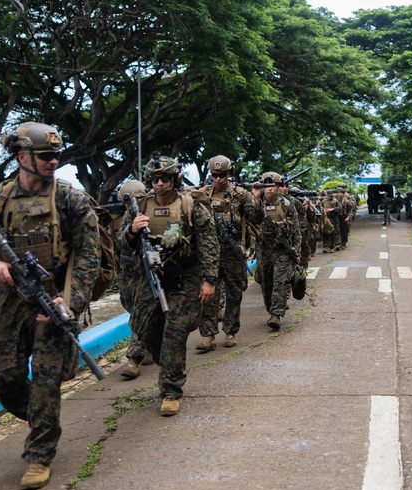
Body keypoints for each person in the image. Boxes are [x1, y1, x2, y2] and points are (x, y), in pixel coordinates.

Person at [0, 122, 101, 490]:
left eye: (57, 155)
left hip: (55, 298)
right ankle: (45, 420)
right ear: (22, 156)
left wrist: (68, 302)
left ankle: (40, 453)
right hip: (10, 299)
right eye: (45, 156)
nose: (53, 162)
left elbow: (89, 255)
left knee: (45, 380)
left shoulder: (71, 199)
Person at [118, 154, 220, 417]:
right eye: (154, 179)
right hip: (150, 275)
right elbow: (120, 243)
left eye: (165, 178)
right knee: (142, 327)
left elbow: (209, 244)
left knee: (174, 331)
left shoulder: (191, 206)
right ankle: (169, 363)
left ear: (175, 179)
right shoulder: (138, 206)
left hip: (184, 276)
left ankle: (171, 390)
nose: (159, 183)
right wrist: (131, 230)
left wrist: (209, 281)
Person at [195, 155, 258, 353]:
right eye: (215, 175)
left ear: (229, 174)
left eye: (222, 175)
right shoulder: (201, 194)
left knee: (234, 292)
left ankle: (230, 331)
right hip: (209, 253)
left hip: (232, 252)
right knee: (208, 295)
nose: (219, 179)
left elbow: (256, 217)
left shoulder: (240, 195)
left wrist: (257, 198)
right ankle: (208, 335)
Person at [114, 180, 156, 378]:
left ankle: (133, 359)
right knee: (134, 309)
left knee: (140, 312)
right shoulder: (123, 220)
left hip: (147, 270)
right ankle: (148, 346)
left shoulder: (152, 212)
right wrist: (132, 230)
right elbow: (119, 244)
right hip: (128, 273)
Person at [252, 172, 301, 329]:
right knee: (266, 281)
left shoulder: (287, 205)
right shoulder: (256, 203)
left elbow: (296, 230)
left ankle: (276, 315)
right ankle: (271, 308)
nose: (269, 188)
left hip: (281, 249)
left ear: (278, 187)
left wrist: (297, 252)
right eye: (266, 185)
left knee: (280, 281)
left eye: (272, 185)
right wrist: (256, 198)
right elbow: (253, 219)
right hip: (263, 248)